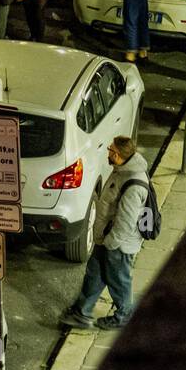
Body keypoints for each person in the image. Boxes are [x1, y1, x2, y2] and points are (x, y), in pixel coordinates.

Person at [61, 137, 150, 331]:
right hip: (106, 239)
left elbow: (125, 222)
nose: (108, 152)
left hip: (118, 244)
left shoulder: (133, 184)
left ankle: (124, 316)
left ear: (118, 155)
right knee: (94, 274)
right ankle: (81, 313)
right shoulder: (122, 171)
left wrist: (110, 243)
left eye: (110, 150)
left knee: (118, 281)